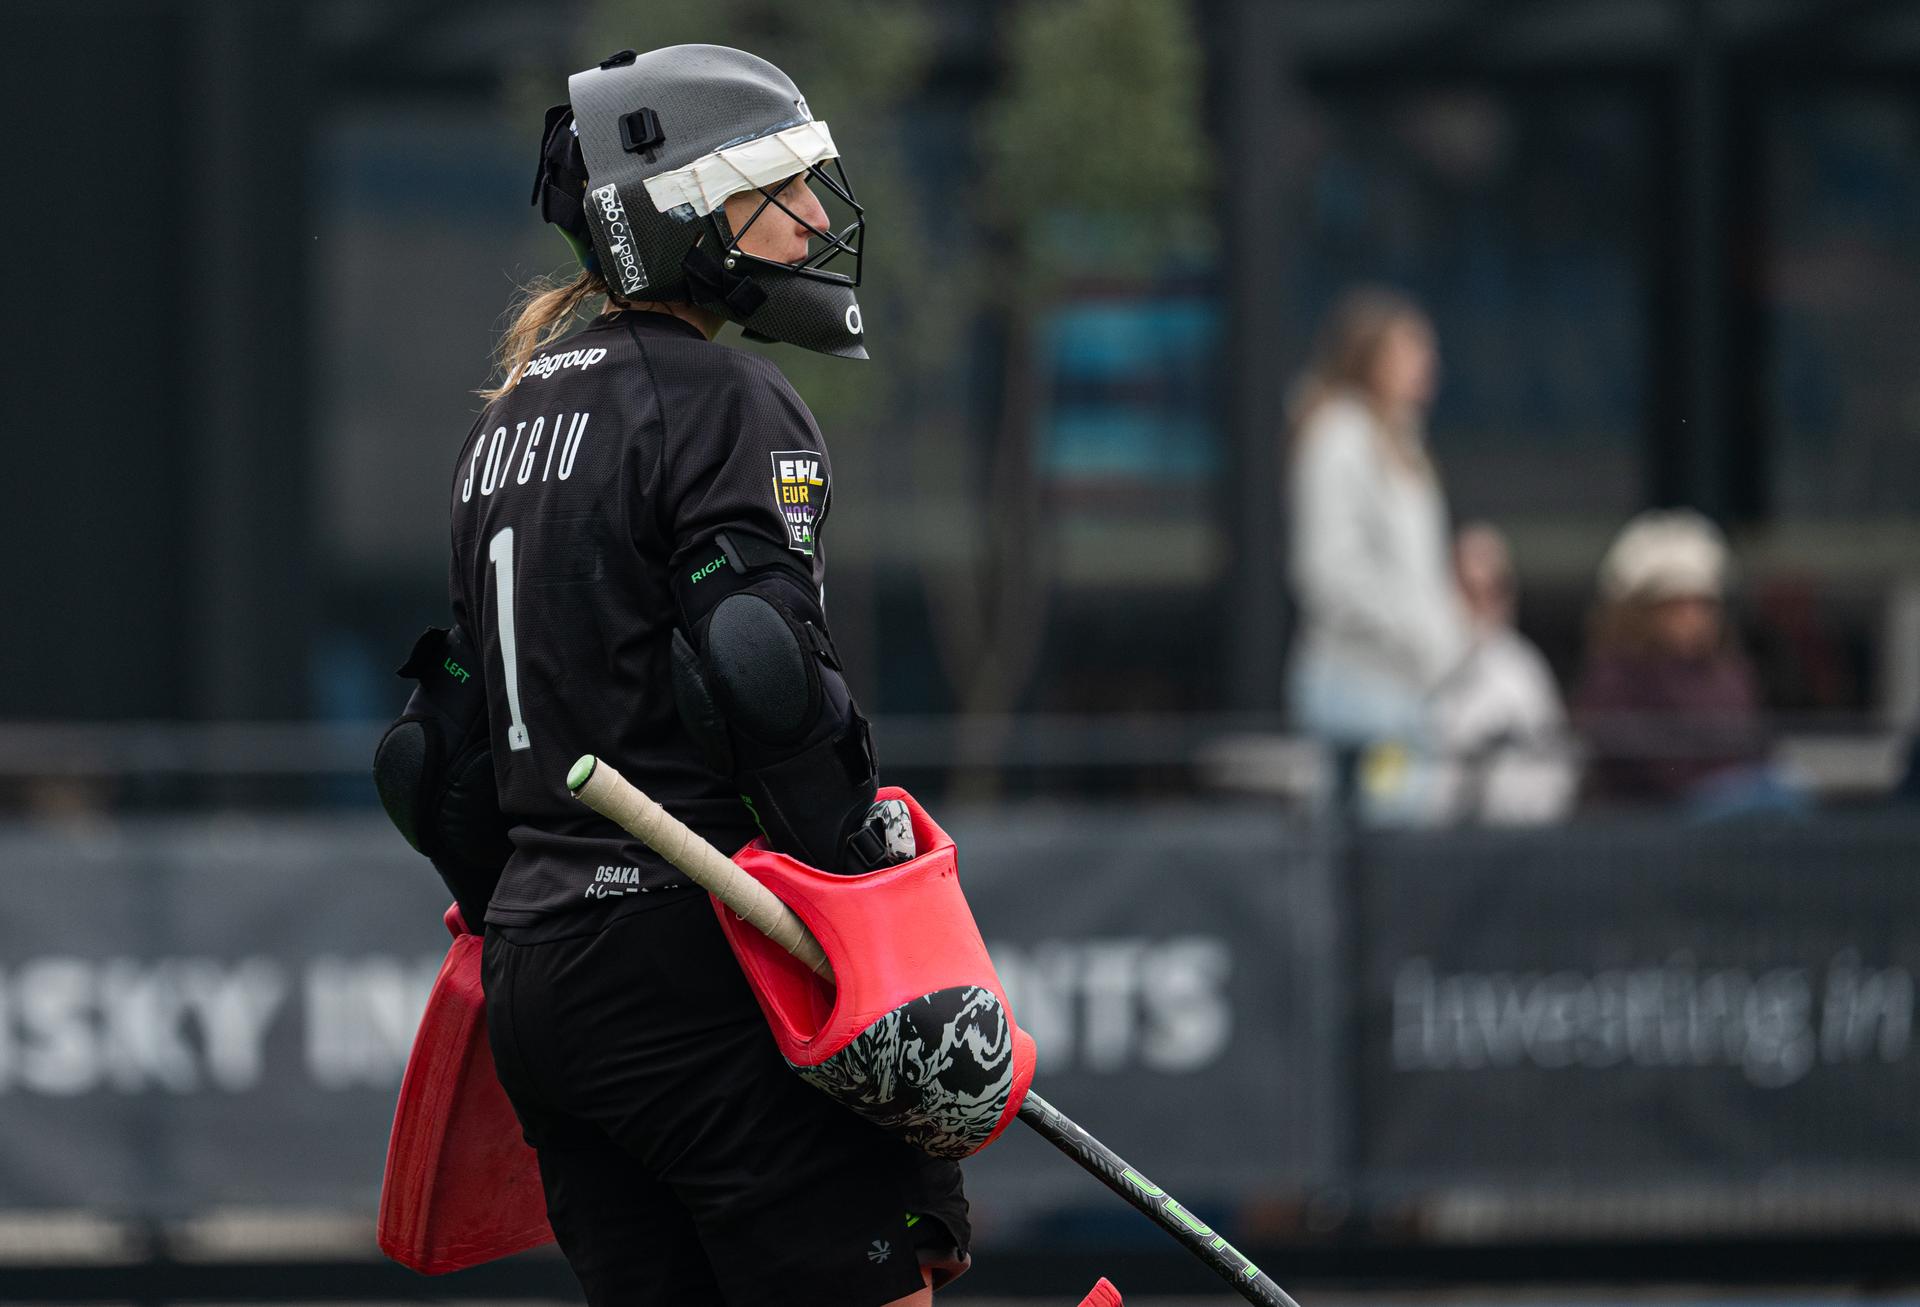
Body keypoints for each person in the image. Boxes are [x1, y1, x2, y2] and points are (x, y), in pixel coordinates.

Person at [375, 45, 966, 1307]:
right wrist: (881, 938)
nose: (812, 219)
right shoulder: (728, 401)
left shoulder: (506, 419)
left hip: (540, 981)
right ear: (683, 212)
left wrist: (537, 909)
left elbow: (434, 762)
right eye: (778, 189)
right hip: (696, 957)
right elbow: (762, 679)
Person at [1285, 287, 1469, 819]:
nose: (1427, 366)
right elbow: (1327, 572)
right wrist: (1421, 632)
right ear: (1370, 358)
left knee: (1404, 847)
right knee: (1375, 855)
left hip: (1405, 690)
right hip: (1357, 688)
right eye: (1412, 351)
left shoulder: (1404, 443)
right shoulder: (1338, 438)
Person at [1573, 509, 1802, 816]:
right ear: (1640, 613)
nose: (1692, 618)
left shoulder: (1731, 674)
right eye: (1676, 606)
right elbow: (1642, 767)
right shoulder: (1614, 678)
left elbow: (1758, 747)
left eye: (1702, 605)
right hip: (1653, 829)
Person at [1430, 522, 1576, 824]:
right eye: (1470, 589)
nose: (1483, 604)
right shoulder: (1416, 661)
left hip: (1508, 844)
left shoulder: (1526, 668)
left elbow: (1556, 773)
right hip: (1428, 838)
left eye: (1494, 590)